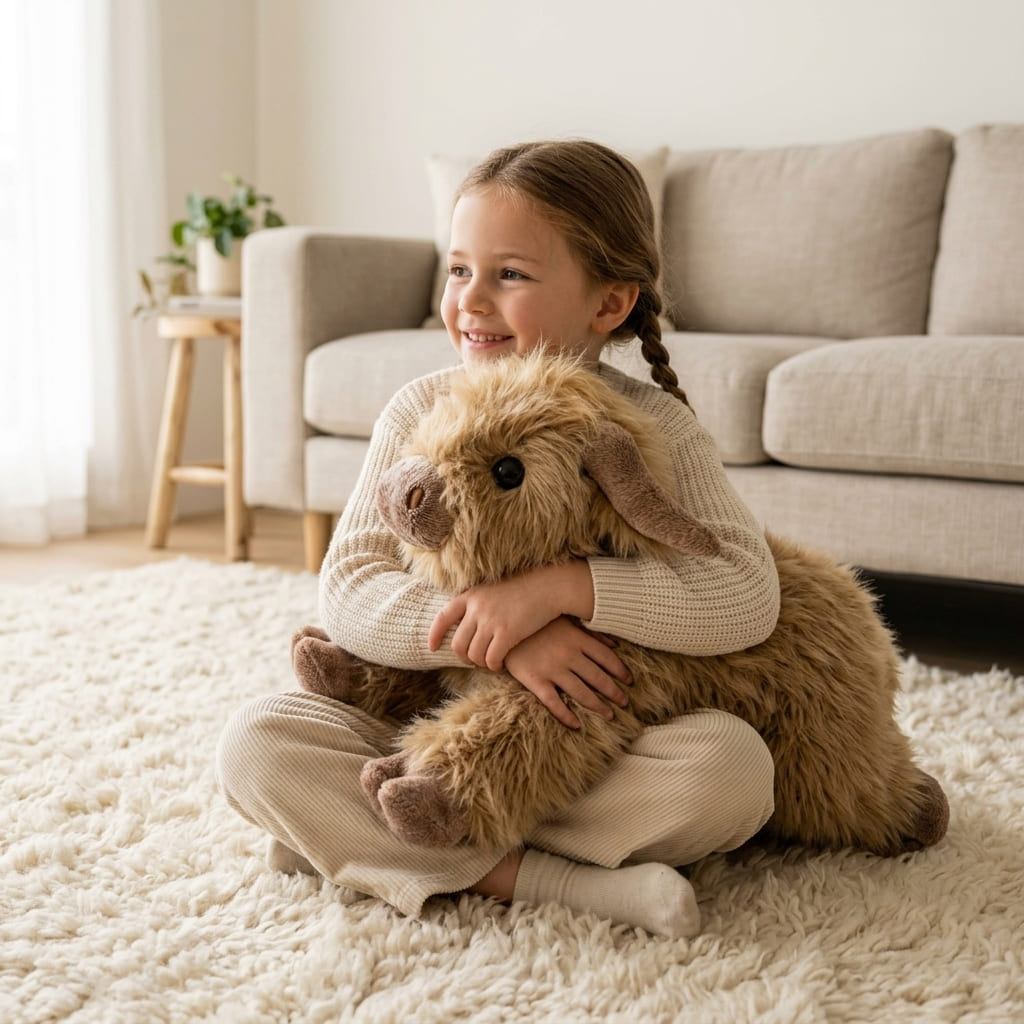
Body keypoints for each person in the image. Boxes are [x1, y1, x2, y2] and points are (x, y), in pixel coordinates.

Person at [217, 140, 780, 940]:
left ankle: (362, 838)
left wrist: (562, 593)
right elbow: (348, 590)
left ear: (609, 303)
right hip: (427, 728)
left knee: (733, 773)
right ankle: (549, 879)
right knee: (256, 743)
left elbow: (745, 597)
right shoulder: (419, 410)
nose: (471, 300)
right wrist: (499, 639)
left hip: (585, 740)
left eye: (509, 274)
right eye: (458, 270)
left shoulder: (659, 428)